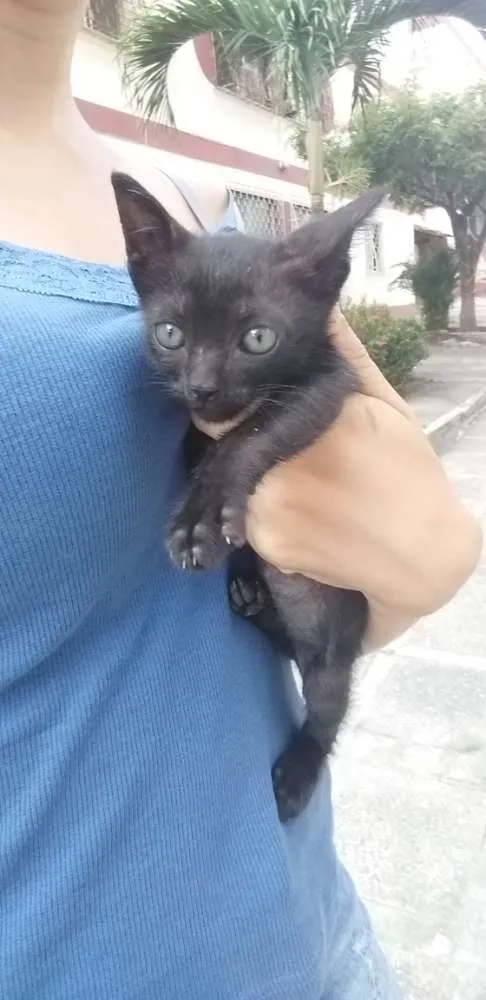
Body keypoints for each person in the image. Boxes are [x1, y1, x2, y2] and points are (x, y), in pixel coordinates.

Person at [0, 2, 481, 999]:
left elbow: (381, 534)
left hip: (313, 931)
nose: (209, 378)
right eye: (178, 345)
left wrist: (420, 557)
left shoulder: (194, 202)